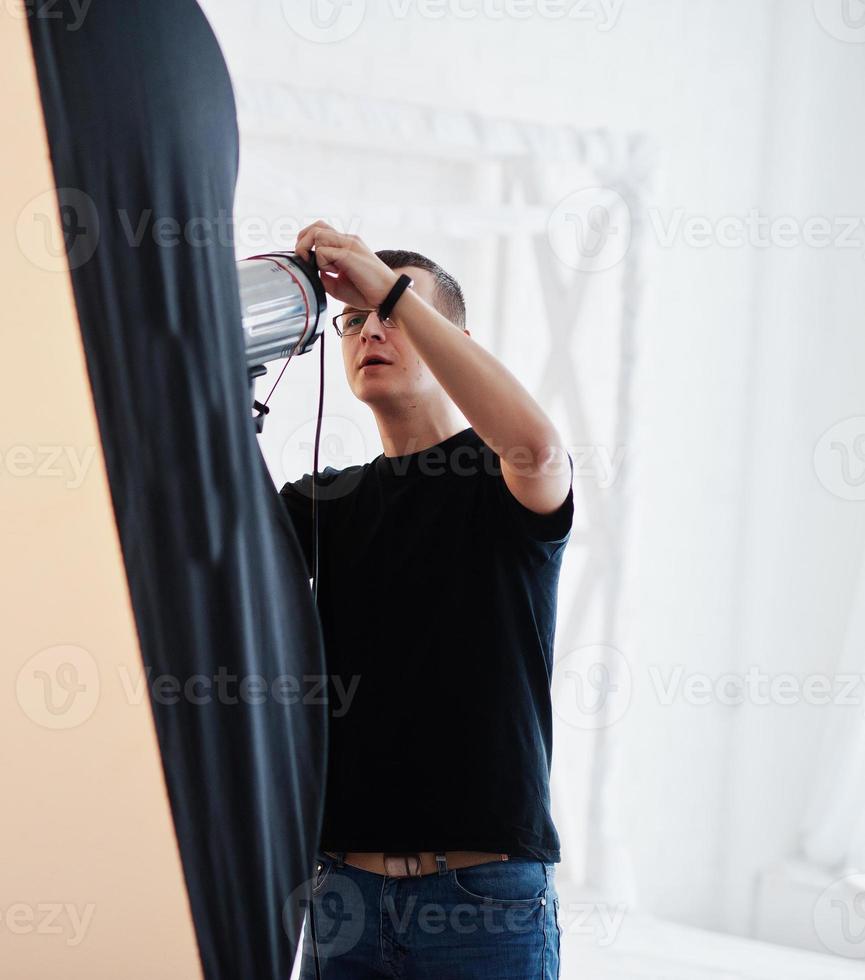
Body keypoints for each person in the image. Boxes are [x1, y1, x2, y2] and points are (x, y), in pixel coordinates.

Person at [282, 222, 573, 979]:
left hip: (484, 900)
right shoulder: (330, 502)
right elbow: (202, 521)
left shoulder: (504, 477)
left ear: (456, 340)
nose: (368, 328)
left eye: (392, 312)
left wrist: (379, 284)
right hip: (341, 896)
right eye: (352, 321)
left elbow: (538, 449)